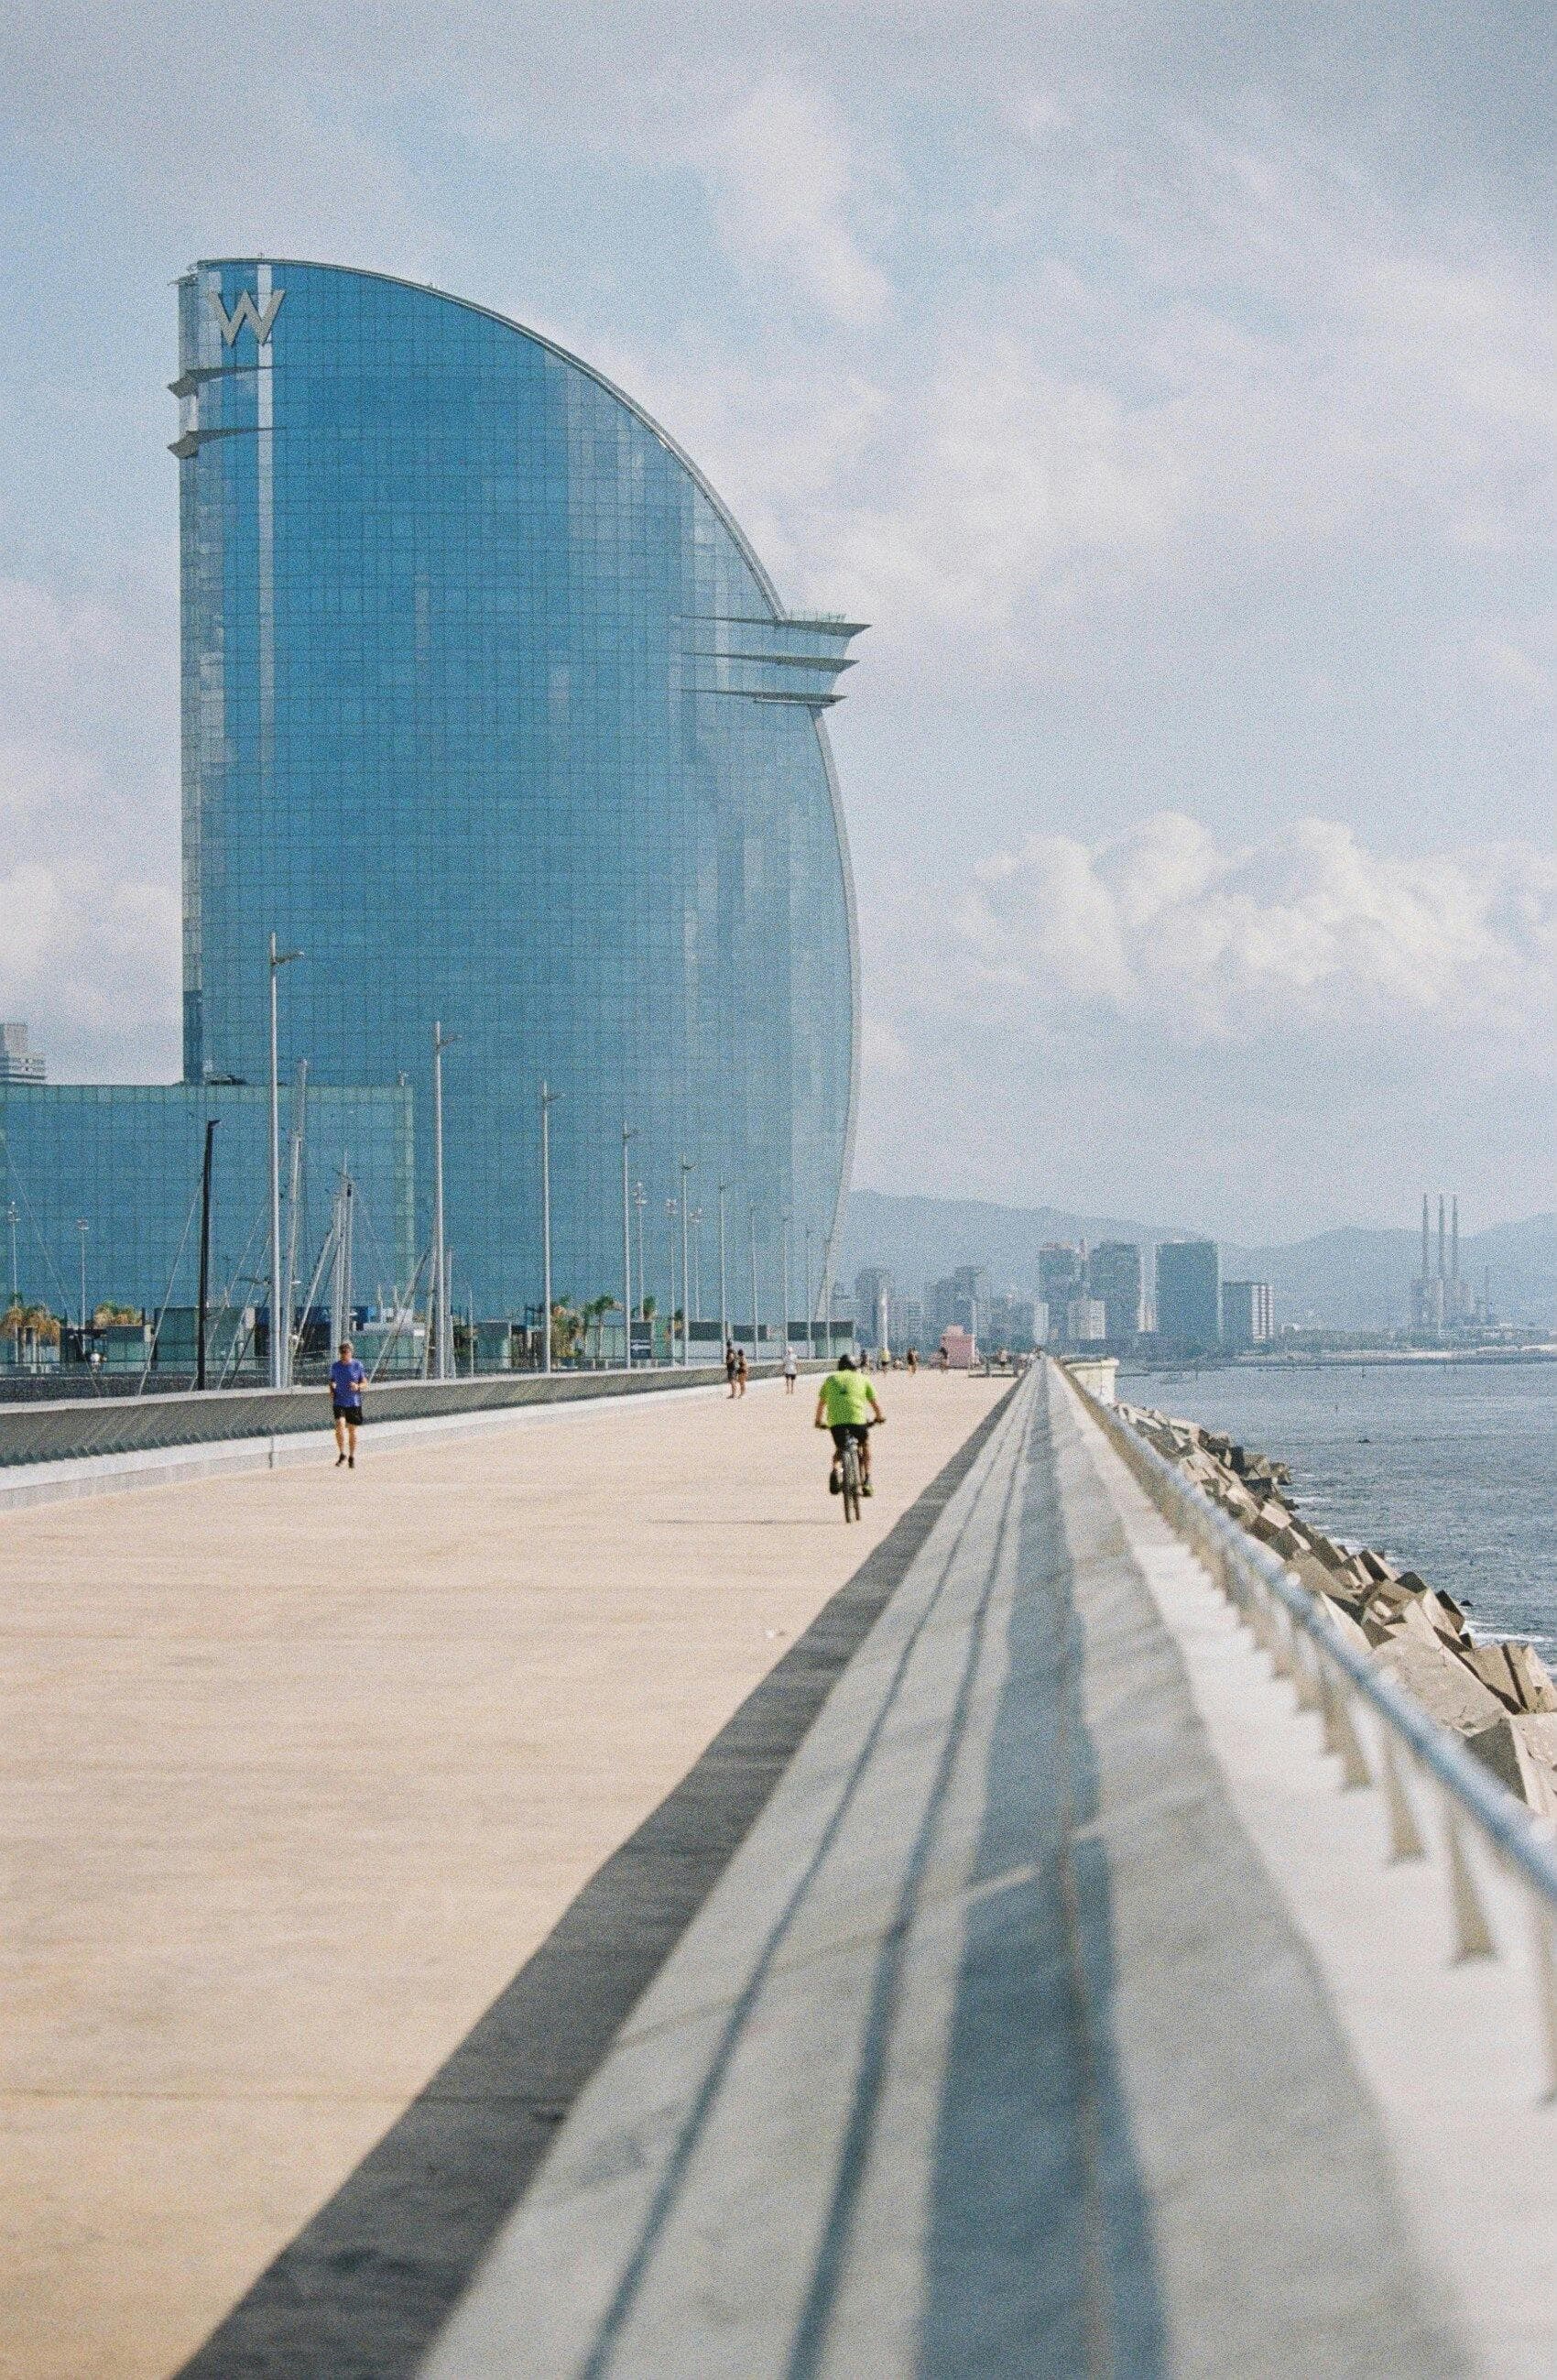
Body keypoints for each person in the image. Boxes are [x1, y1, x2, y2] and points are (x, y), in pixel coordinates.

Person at [814, 1351, 884, 1496]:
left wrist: (818, 1422)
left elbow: (821, 1405)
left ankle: (835, 1470)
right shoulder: (862, 1378)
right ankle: (867, 1481)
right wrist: (879, 1418)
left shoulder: (831, 1379)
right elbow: (875, 1405)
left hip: (836, 1423)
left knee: (840, 1448)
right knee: (865, 1445)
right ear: (855, 1367)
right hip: (858, 1421)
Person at [329, 1338, 366, 1468]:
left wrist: (357, 1386)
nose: (344, 1354)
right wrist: (332, 1388)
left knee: (352, 1431)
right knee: (339, 1425)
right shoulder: (335, 1366)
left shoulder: (358, 1365)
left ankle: (351, 1456)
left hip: (354, 1402)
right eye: (342, 1352)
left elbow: (365, 1383)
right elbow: (332, 1381)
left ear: (351, 1352)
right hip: (339, 1401)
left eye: (346, 1351)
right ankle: (341, 1453)